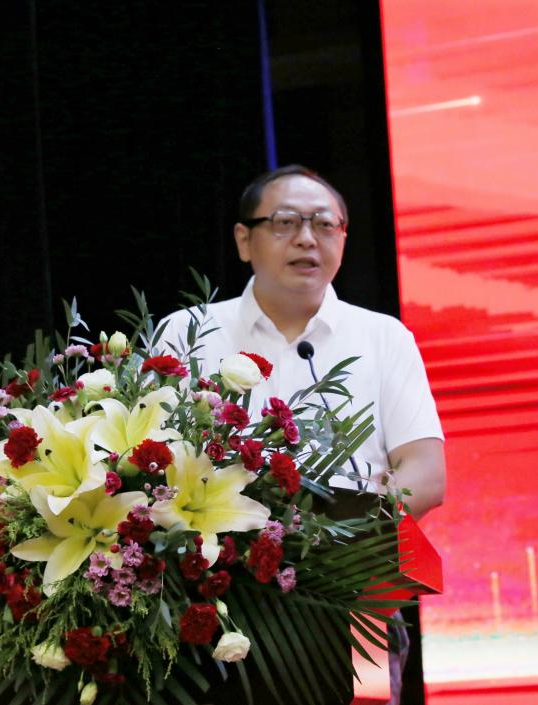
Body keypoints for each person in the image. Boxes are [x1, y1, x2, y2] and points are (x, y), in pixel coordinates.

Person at [156, 164, 445, 519]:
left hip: (355, 551)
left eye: (325, 224)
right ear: (244, 240)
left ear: (343, 238)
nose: (307, 239)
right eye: (285, 222)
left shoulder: (385, 337)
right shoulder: (187, 332)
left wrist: (360, 537)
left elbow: (425, 473)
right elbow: (152, 458)